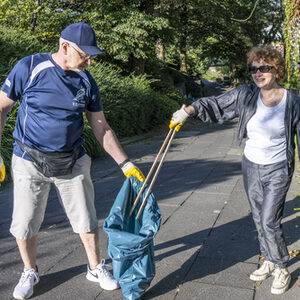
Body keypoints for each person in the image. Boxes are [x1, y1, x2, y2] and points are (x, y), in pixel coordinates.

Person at [0, 22, 145, 300]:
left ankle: (95, 267)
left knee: (87, 218)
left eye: (92, 55)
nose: (90, 61)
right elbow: (1, 108)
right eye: (85, 55)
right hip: (29, 159)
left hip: (72, 160)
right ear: (64, 47)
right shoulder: (30, 67)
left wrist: (126, 163)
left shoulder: (86, 80)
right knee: (25, 221)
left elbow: (100, 126)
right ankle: (30, 270)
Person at [169, 45, 300, 295]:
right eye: (253, 68)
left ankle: (282, 267)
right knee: (258, 217)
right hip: (251, 164)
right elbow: (217, 104)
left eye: (264, 68)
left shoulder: (292, 102)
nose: (258, 73)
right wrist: (187, 111)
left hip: (278, 168)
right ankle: (270, 260)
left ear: (277, 70)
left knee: (269, 219)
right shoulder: (246, 95)